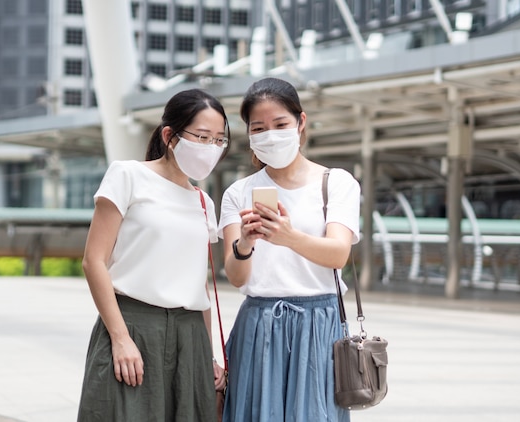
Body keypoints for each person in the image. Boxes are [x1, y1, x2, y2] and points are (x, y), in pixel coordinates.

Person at [77, 88, 230, 421]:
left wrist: (209, 356)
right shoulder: (128, 175)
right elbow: (94, 261)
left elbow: (199, 286)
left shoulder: (204, 203)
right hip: (133, 324)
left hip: (190, 337)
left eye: (219, 140)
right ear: (169, 136)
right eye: (202, 137)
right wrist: (120, 338)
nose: (211, 148)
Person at [218, 77, 360, 422]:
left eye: (280, 124)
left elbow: (338, 254)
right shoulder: (238, 192)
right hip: (259, 323)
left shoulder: (335, 183)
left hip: (320, 323)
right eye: (259, 128)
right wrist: (246, 243)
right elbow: (236, 277)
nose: (270, 134)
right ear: (249, 135)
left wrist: (288, 236)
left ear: (301, 122)